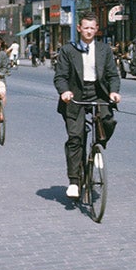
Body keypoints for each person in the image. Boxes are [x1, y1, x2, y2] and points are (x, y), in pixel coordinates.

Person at [53, 12, 121, 200]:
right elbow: (60, 76)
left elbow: (112, 75)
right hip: (75, 94)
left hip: (98, 92)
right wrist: (64, 92)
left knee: (107, 120)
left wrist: (114, 91)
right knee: (76, 137)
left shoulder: (104, 49)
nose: (89, 31)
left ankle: (99, 146)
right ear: (79, 28)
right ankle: (74, 181)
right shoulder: (68, 50)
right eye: (86, 28)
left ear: (96, 30)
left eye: (92, 28)